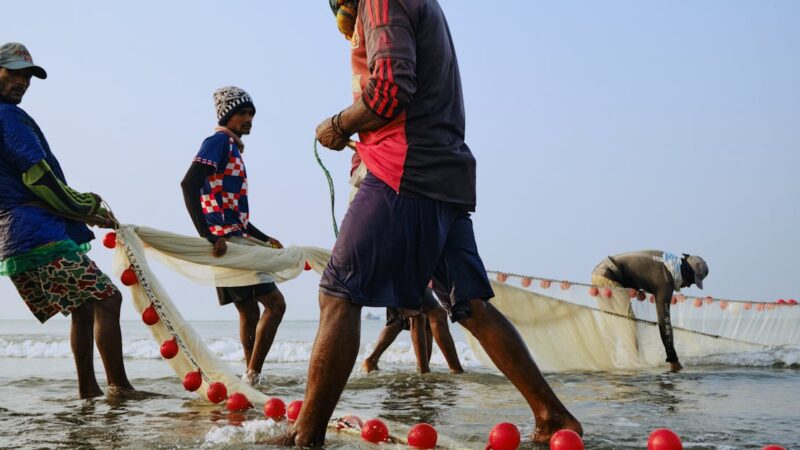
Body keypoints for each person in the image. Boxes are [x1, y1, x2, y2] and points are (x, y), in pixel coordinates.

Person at [271, 1, 582, 445]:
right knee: (470, 304)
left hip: (403, 170)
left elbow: (390, 89)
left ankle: (305, 437)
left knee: (338, 294)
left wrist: (338, 125)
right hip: (444, 172)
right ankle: (552, 415)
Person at [0, 42, 136, 399]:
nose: (22, 82)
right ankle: (119, 388)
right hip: (35, 234)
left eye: (27, 76)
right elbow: (38, 179)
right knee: (108, 298)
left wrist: (82, 211)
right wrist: (85, 205)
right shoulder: (7, 116)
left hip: (20, 237)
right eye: (13, 72)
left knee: (84, 305)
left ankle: (88, 392)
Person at [180, 86, 286, 385]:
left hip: (234, 237)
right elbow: (189, 184)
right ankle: (253, 374)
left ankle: (249, 379)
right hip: (226, 243)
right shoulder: (218, 142)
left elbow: (231, 211)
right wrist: (208, 236)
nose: (248, 119)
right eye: (242, 113)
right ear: (227, 115)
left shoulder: (233, 148)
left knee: (250, 312)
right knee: (276, 305)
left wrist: (264, 238)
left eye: (251, 113)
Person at [592, 250, 709, 373]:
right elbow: (664, 323)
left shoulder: (668, 261)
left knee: (612, 326)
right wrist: (673, 360)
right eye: (691, 281)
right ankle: (632, 373)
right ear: (686, 272)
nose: (689, 285)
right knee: (628, 325)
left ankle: (606, 368)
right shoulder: (665, 281)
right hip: (609, 276)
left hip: (601, 272)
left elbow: (640, 269)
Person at [362, 289, 465, 375]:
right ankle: (424, 370)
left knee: (407, 320)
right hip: (404, 274)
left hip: (414, 275)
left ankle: (424, 368)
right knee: (416, 315)